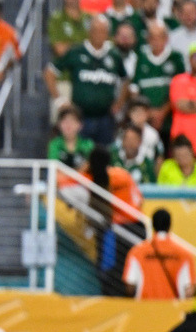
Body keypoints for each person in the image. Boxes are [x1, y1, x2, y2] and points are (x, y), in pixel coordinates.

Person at [44, 15, 129, 145]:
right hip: (80, 118)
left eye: (103, 31)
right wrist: (59, 100)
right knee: (79, 155)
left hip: (105, 118)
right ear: (89, 31)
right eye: (95, 30)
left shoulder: (114, 55)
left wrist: (120, 102)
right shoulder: (76, 52)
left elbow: (125, 79)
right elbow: (50, 72)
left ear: (108, 33)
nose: (99, 34)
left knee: (104, 157)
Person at [85, 146, 145, 296]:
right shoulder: (122, 174)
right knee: (132, 269)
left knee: (111, 271)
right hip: (136, 226)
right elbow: (140, 199)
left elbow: (67, 181)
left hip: (115, 229)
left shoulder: (97, 178)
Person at [124, 209, 195, 300]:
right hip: (173, 310)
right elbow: (189, 291)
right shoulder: (185, 255)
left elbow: (130, 287)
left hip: (145, 308)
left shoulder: (136, 252)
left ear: (153, 225)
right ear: (169, 225)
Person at [128, 22, 184, 130]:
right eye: (152, 37)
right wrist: (146, 111)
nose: (156, 41)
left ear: (166, 38)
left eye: (160, 37)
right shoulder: (141, 57)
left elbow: (180, 90)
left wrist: (161, 113)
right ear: (148, 39)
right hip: (144, 119)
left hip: (170, 119)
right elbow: (134, 88)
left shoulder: (176, 58)